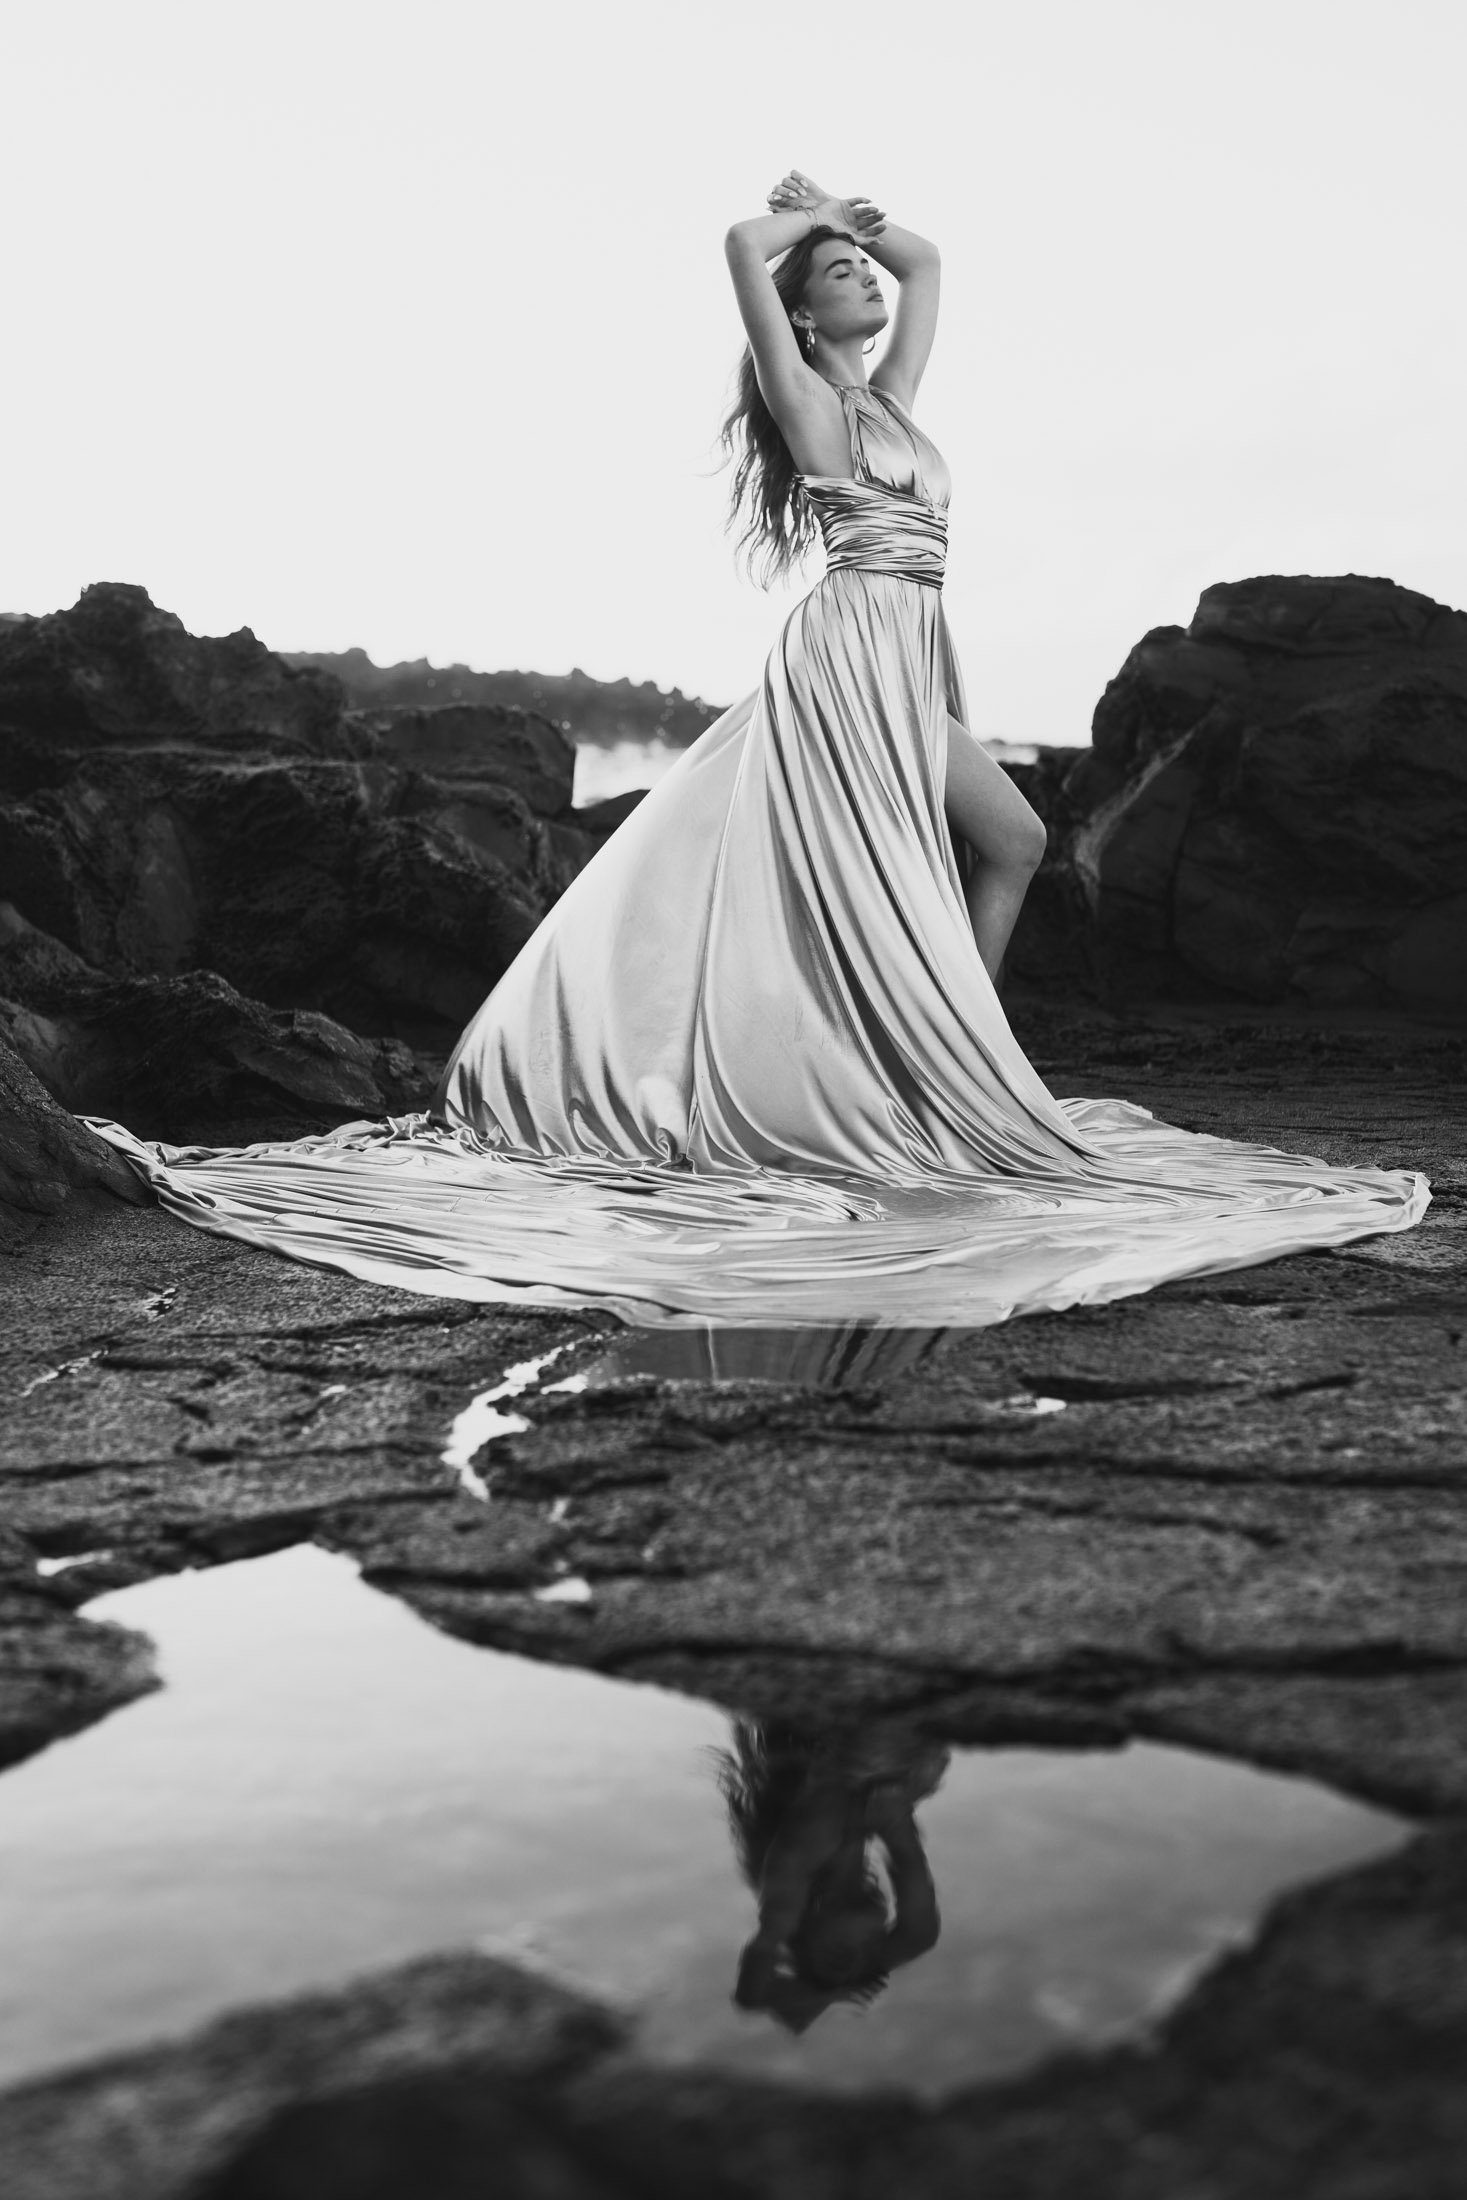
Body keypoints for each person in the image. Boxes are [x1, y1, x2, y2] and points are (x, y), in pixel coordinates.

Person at [89, 174, 1427, 1327]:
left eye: (857, 265)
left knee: (1011, 842)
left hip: (912, 648)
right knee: (903, 871)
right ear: (800, 317)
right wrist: (805, 221)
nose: (863, 275)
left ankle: (941, 1059)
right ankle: (929, 1071)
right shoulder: (806, 397)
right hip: (851, 649)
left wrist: (854, 217)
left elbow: (930, 261)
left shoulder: (893, 394)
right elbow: (742, 250)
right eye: (838, 272)